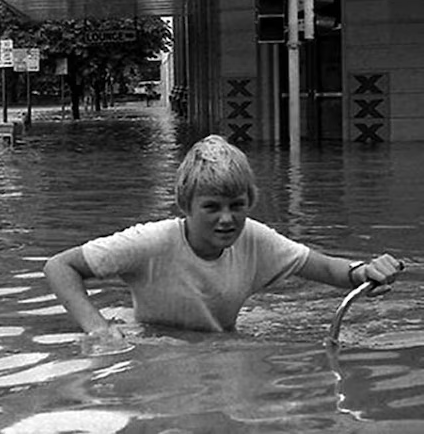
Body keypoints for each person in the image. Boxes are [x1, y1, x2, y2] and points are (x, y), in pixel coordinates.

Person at [44, 134, 403, 344]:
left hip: (224, 343)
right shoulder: (150, 242)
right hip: (155, 345)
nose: (227, 218)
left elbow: (326, 268)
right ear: (186, 205)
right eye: (212, 207)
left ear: (250, 202)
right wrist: (99, 330)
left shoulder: (255, 238)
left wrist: (363, 272)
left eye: (237, 205)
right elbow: (60, 266)